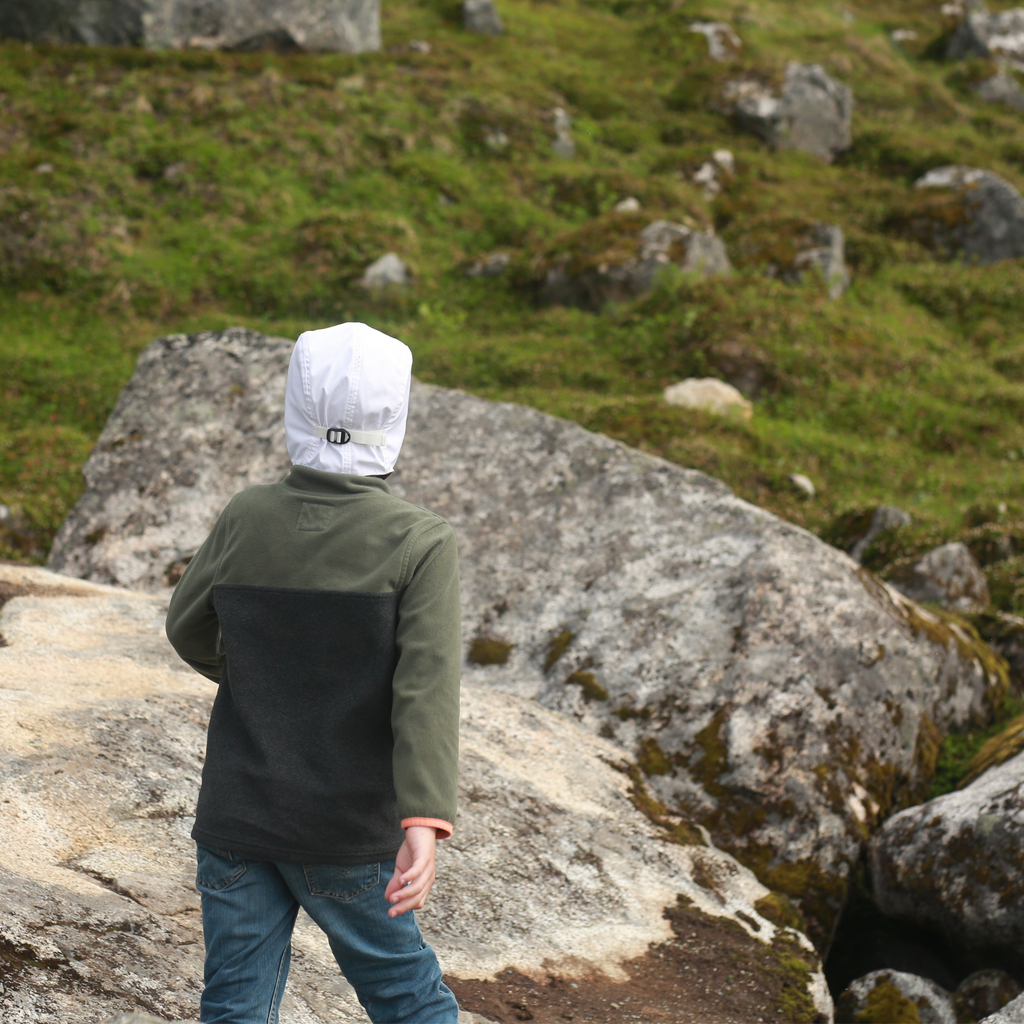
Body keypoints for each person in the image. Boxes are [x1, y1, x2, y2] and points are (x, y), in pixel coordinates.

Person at [165, 321, 462, 1024]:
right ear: (396, 418)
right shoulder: (421, 541)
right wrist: (424, 819)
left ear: (294, 408)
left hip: (237, 817)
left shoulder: (247, 514)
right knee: (407, 998)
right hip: (346, 829)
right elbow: (425, 691)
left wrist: (265, 675)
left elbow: (187, 627)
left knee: (235, 1003)